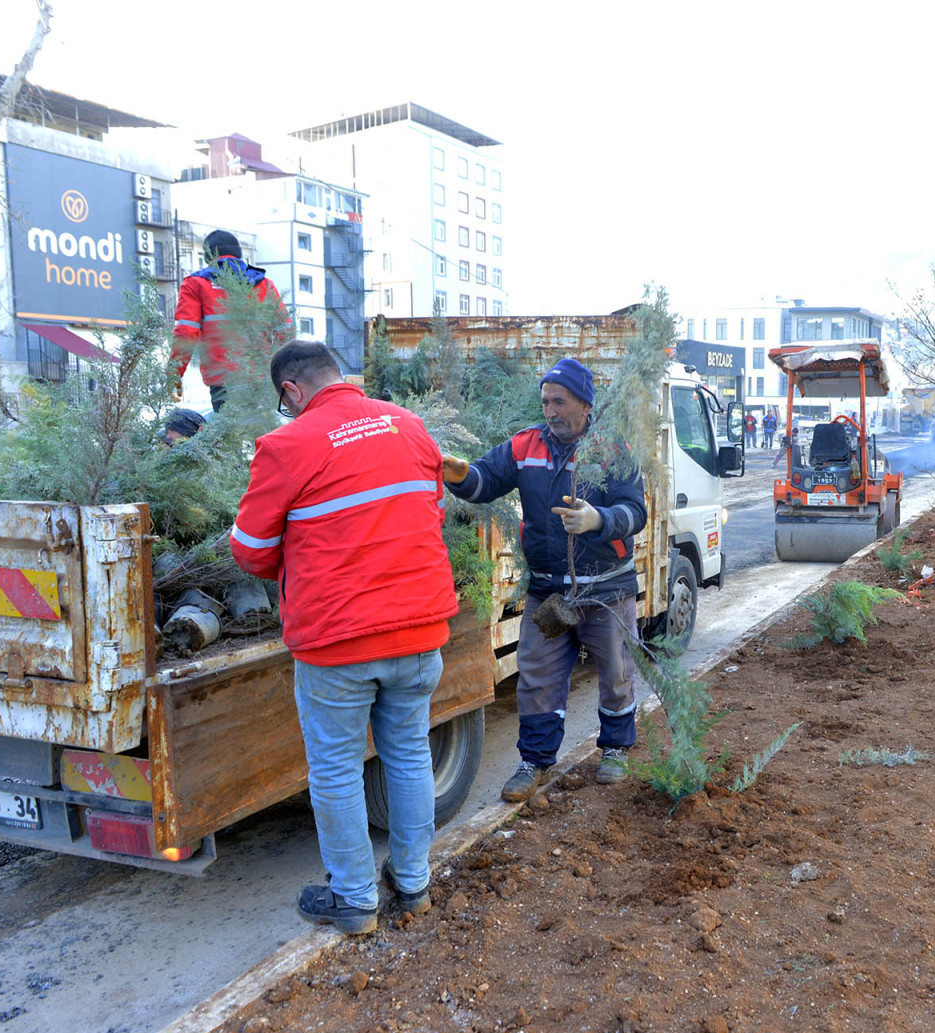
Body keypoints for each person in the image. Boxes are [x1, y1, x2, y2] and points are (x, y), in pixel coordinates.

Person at [230, 340, 457, 936]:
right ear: (339, 375)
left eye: (284, 401)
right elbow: (429, 514)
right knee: (409, 754)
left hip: (338, 641)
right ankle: (413, 884)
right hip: (418, 630)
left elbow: (249, 551)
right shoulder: (409, 426)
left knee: (336, 770)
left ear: (291, 390)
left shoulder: (286, 445)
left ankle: (354, 900)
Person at [446, 357, 646, 802]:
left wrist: (598, 519)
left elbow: (636, 512)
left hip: (606, 588)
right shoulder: (525, 446)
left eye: (560, 401)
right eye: (546, 402)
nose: (551, 411)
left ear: (585, 405)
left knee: (616, 672)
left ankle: (615, 749)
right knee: (537, 675)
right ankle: (534, 761)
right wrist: (458, 475)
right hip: (548, 589)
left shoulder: (612, 450)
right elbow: (485, 480)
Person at [172, 230, 288, 411]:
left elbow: (186, 334)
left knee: (229, 427)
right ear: (239, 254)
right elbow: (285, 331)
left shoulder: (196, 284)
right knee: (261, 425)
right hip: (261, 376)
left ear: (208, 256)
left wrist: (174, 374)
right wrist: (281, 372)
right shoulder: (264, 284)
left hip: (222, 380)